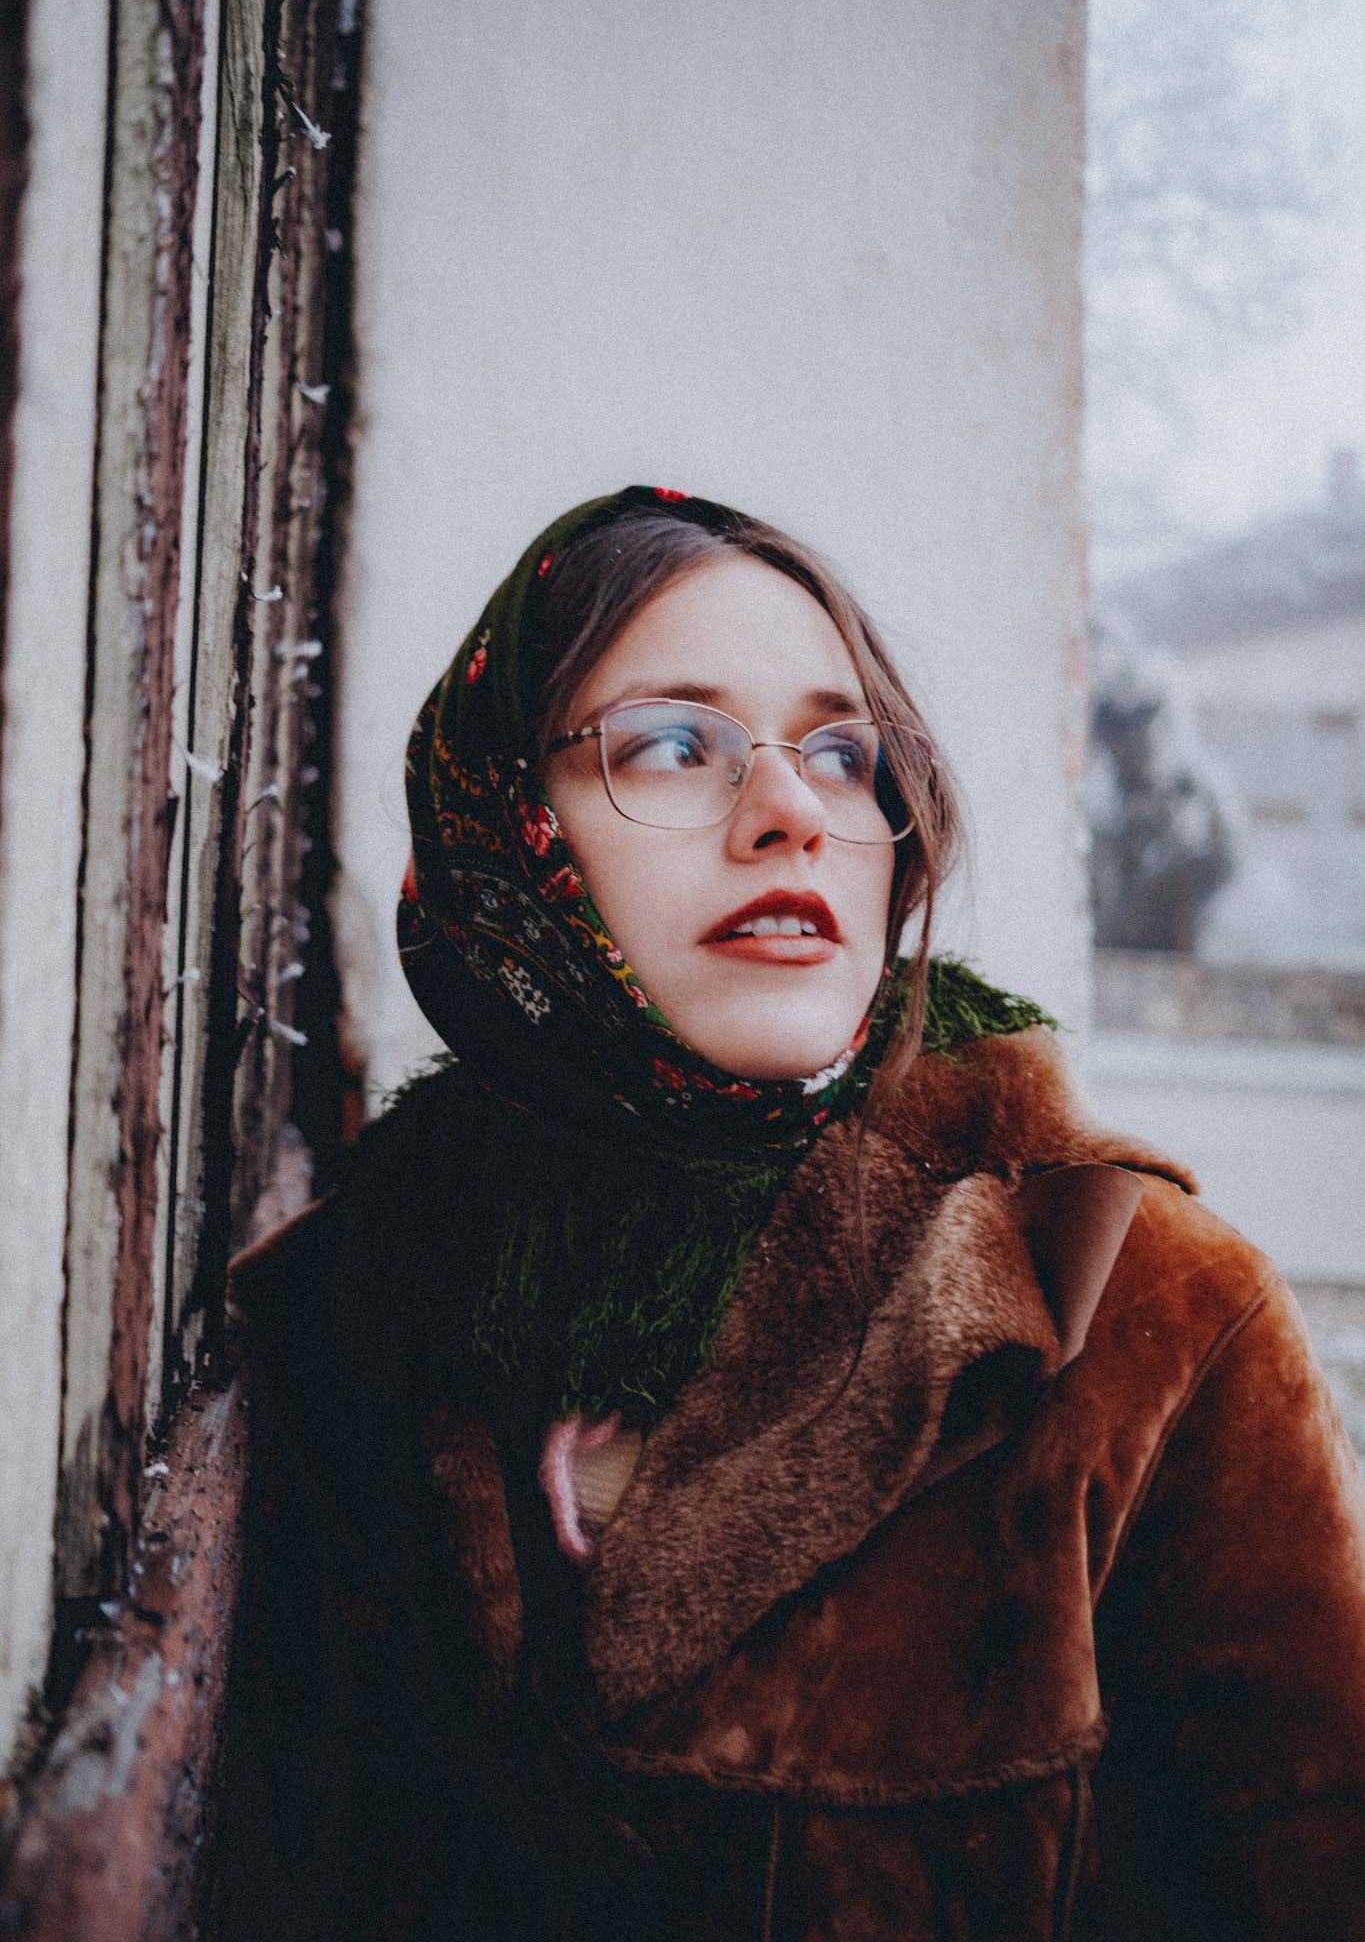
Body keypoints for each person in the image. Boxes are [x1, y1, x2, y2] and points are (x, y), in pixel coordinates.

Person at [221, 485, 1365, 1942]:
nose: (793, 814)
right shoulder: (351, 1309)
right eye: (672, 744)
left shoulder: (1150, 1320)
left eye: (843, 754)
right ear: (504, 824)